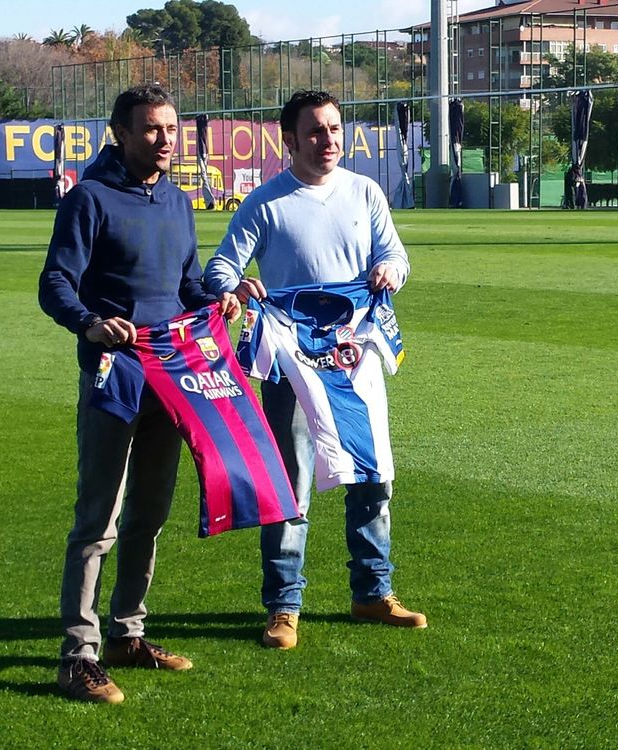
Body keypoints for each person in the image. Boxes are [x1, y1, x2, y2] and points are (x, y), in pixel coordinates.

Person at [203, 90, 426, 650]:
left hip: (353, 358)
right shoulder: (266, 202)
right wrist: (238, 284)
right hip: (292, 363)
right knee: (290, 486)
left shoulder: (365, 192)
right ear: (290, 139)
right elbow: (219, 268)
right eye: (315, 132)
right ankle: (284, 606)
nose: (328, 141)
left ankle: (372, 592)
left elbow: (395, 255)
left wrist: (389, 273)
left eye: (334, 129)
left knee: (373, 475)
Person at [39, 84, 239, 703]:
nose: (165, 140)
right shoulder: (88, 201)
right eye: (151, 129)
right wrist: (90, 323)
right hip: (115, 377)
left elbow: (184, 285)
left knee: (149, 514)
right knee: (97, 518)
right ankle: (78, 654)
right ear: (120, 134)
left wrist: (220, 301)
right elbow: (55, 282)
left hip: (172, 376)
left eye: (171, 129)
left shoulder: (178, 202)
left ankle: (128, 632)